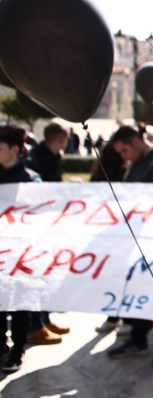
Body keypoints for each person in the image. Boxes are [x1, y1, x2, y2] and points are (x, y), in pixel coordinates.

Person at [106, 125, 153, 367]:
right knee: (139, 291)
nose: (123, 156)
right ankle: (138, 338)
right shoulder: (137, 164)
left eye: (125, 150)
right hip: (137, 243)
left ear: (137, 142)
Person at [24, 122, 73, 344]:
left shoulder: (51, 157)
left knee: (47, 274)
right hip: (37, 225)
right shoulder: (35, 160)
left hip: (51, 222)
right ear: (62, 139)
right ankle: (35, 325)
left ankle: (44, 318)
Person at [0, 124, 41, 373]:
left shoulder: (30, 180)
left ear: (14, 150)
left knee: (19, 303)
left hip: (21, 253)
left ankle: (17, 350)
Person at [89, 141, 130, 334]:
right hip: (115, 235)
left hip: (114, 235)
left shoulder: (120, 175)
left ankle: (116, 316)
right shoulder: (117, 177)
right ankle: (116, 316)